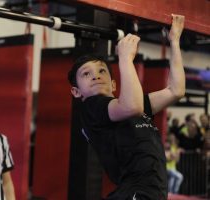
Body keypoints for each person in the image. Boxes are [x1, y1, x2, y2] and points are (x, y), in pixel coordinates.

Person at [68, 14, 185, 200]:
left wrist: (175, 41)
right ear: (76, 92)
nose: (96, 76)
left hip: (148, 192)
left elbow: (176, 90)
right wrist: (124, 58)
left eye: (101, 71)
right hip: (135, 191)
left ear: (113, 85)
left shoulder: (135, 104)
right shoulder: (92, 108)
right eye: (86, 74)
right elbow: (132, 106)